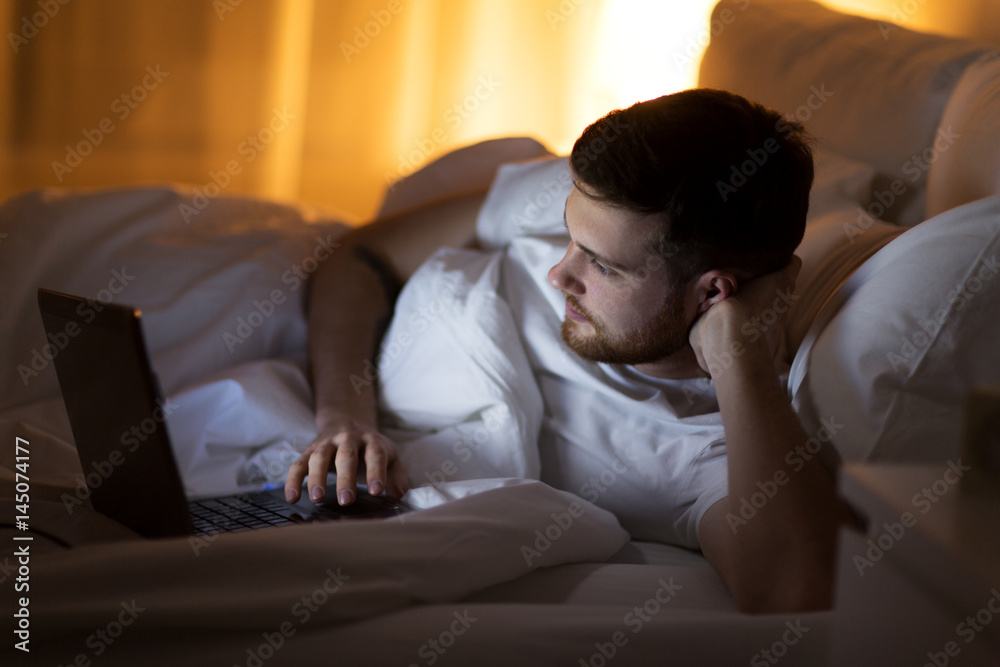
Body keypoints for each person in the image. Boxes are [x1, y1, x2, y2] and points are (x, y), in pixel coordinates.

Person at [284, 88, 856, 613]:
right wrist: (342, 415)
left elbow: (796, 589)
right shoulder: (606, 203)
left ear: (712, 291)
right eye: (567, 237)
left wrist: (741, 360)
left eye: (603, 267)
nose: (559, 273)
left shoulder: (706, 448)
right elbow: (358, 258)